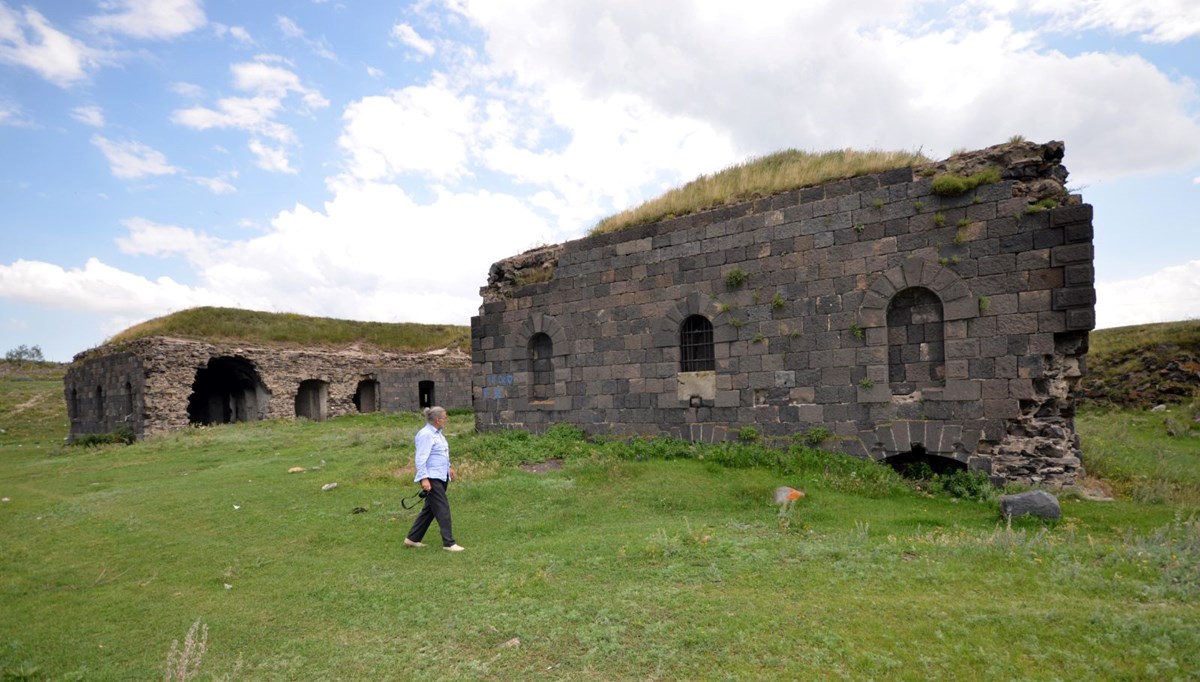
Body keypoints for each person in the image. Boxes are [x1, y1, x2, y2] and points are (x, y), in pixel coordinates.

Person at [405, 406, 465, 552]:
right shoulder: (426, 434)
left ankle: (412, 539)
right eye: (445, 417)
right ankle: (449, 543)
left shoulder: (438, 434)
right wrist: (424, 479)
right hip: (432, 477)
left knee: (430, 509)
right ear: (438, 420)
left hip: (440, 475)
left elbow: (440, 454)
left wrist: (449, 467)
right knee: (442, 508)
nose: (447, 419)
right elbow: (420, 459)